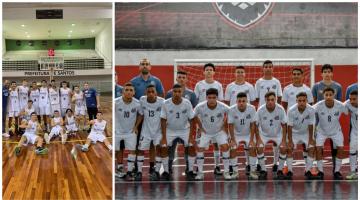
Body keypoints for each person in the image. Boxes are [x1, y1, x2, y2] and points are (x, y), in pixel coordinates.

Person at [130, 58, 165, 173]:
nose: (144, 66)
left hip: (153, 118)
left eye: (147, 64)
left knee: (152, 143)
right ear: (139, 67)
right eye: (142, 64)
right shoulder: (134, 81)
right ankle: (136, 165)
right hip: (138, 116)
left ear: (150, 67)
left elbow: (161, 95)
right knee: (136, 142)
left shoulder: (156, 80)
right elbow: (130, 95)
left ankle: (151, 166)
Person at [160, 84, 196, 180]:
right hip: (170, 130)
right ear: (172, 92)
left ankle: (190, 170)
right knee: (163, 147)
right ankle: (166, 171)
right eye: (175, 92)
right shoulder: (165, 103)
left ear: (182, 93)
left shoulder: (187, 103)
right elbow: (163, 120)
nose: (177, 93)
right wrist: (163, 137)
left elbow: (192, 119)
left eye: (179, 92)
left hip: (185, 129)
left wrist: (191, 136)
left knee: (192, 146)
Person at [311, 64, 342, 174]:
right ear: (321, 73)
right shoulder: (316, 86)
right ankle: (319, 169)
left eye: (329, 71)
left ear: (332, 73)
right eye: (325, 72)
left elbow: (339, 104)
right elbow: (313, 103)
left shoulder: (337, 86)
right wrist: (314, 121)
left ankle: (336, 169)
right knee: (319, 145)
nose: (327, 74)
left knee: (335, 145)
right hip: (319, 121)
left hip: (333, 121)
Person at [194, 63, 224, 175]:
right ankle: (198, 167)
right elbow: (195, 101)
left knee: (216, 143)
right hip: (202, 118)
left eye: (211, 70)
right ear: (204, 72)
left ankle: (217, 166)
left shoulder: (218, 85)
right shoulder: (199, 85)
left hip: (216, 118)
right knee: (200, 143)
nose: (209, 71)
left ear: (214, 72)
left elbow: (221, 102)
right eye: (207, 70)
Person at [165, 70, 197, 175]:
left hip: (185, 127)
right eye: (180, 77)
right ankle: (168, 168)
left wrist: (192, 128)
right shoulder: (169, 93)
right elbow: (166, 110)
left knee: (189, 147)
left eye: (184, 77)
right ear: (176, 78)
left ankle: (189, 167)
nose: (182, 79)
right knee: (170, 148)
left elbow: (194, 111)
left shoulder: (191, 94)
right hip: (172, 127)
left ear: (186, 79)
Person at [194, 88, 231, 180]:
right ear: (206, 97)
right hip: (205, 132)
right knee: (200, 149)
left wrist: (224, 125)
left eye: (214, 97)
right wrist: (200, 127)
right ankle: (200, 173)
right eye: (209, 97)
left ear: (217, 98)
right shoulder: (200, 106)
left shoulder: (223, 106)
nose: (211, 99)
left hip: (219, 131)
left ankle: (226, 172)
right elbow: (193, 115)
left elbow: (231, 113)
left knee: (225, 147)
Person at [255, 60, 283, 173]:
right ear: (263, 68)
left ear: (273, 68)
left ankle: (275, 162)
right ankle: (259, 163)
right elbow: (256, 99)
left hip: (274, 112)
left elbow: (279, 97)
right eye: (265, 66)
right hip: (262, 114)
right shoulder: (259, 82)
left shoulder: (276, 82)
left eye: (270, 66)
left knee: (276, 139)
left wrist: (276, 109)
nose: (267, 68)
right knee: (260, 138)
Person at [314, 87, 347, 180]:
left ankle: (337, 171)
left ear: (334, 95)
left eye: (330, 95)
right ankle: (320, 171)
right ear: (323, 96)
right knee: (318, 149)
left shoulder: (340, 105)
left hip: (336, 131)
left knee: (341, 149)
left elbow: (349, 111)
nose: (328, 97)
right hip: (321, 131)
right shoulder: (318, 105)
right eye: (326, 95)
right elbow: (309, 110)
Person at [136, 85, 165, 181]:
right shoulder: (142, 100)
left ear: (156, 92)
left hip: (158, 131)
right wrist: (135, 127)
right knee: (140, 150)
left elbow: (166, 117)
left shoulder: (162, 102)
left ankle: (155, 170)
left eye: (153, 91)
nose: (151, 93)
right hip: (146, 131)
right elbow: (141, 114)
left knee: (158, 149)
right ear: (146, 93)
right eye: (149, 92)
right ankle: (139, 172)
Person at [255, 91, 287, 179]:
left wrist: (284, 140)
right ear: (265, 100)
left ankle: (280, 170)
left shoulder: (280, 109)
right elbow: (256, 125)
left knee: (284, 148)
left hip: (277, 134)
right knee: (259, 147)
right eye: (268, 100)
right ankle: (263, 170)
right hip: (264, 134)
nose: (270, 101)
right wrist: (258, 139)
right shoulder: (260, 110)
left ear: (276, 99)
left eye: (272, 99)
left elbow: (284, 125)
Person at [227, 92, 258, 179]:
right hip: (236, 134)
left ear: (247, 101)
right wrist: (232, 140)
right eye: (239, 101)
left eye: (243, 101)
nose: (241, 103)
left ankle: (252, 171)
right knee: (232, 148)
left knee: (252, 147)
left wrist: (251, 140)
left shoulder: (252, 108)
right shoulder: (231, 109)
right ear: (236, 101)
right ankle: (235, 172)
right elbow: (230, 125)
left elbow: (253, 125)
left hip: (248, 134)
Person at [287, 92, 316, 179]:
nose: (302, 102)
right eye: (299, 101)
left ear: (307, 100)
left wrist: (311, 139)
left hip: (306, 133)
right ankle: (289, 170)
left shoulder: (311, 110)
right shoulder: (291, 110)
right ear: (296, 101)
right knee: (289, 148)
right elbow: (289, 126)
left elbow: (311, 125)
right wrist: (290, 140)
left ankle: (308, 170)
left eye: (304, 100)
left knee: (311, 148)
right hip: (294, 133)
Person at [115, 83, 141, 180]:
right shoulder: (116, 102)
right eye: (127, 90)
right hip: (117, 131)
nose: (129, 92)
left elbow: (141, 114)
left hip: (130, 132)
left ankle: (129, 171)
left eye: (131, 90)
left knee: (132, 150)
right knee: (117, 150)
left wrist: (136, 126)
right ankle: (120, 167)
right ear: (122, 92)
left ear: (134, 92)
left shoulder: (137, 103)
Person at [344, 90, 358, 180]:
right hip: (355, 132)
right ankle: (353, 171)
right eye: (350, 99)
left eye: (354, 99)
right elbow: (337, 106)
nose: (352, 101)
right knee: (352, 151)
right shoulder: (347, 104)